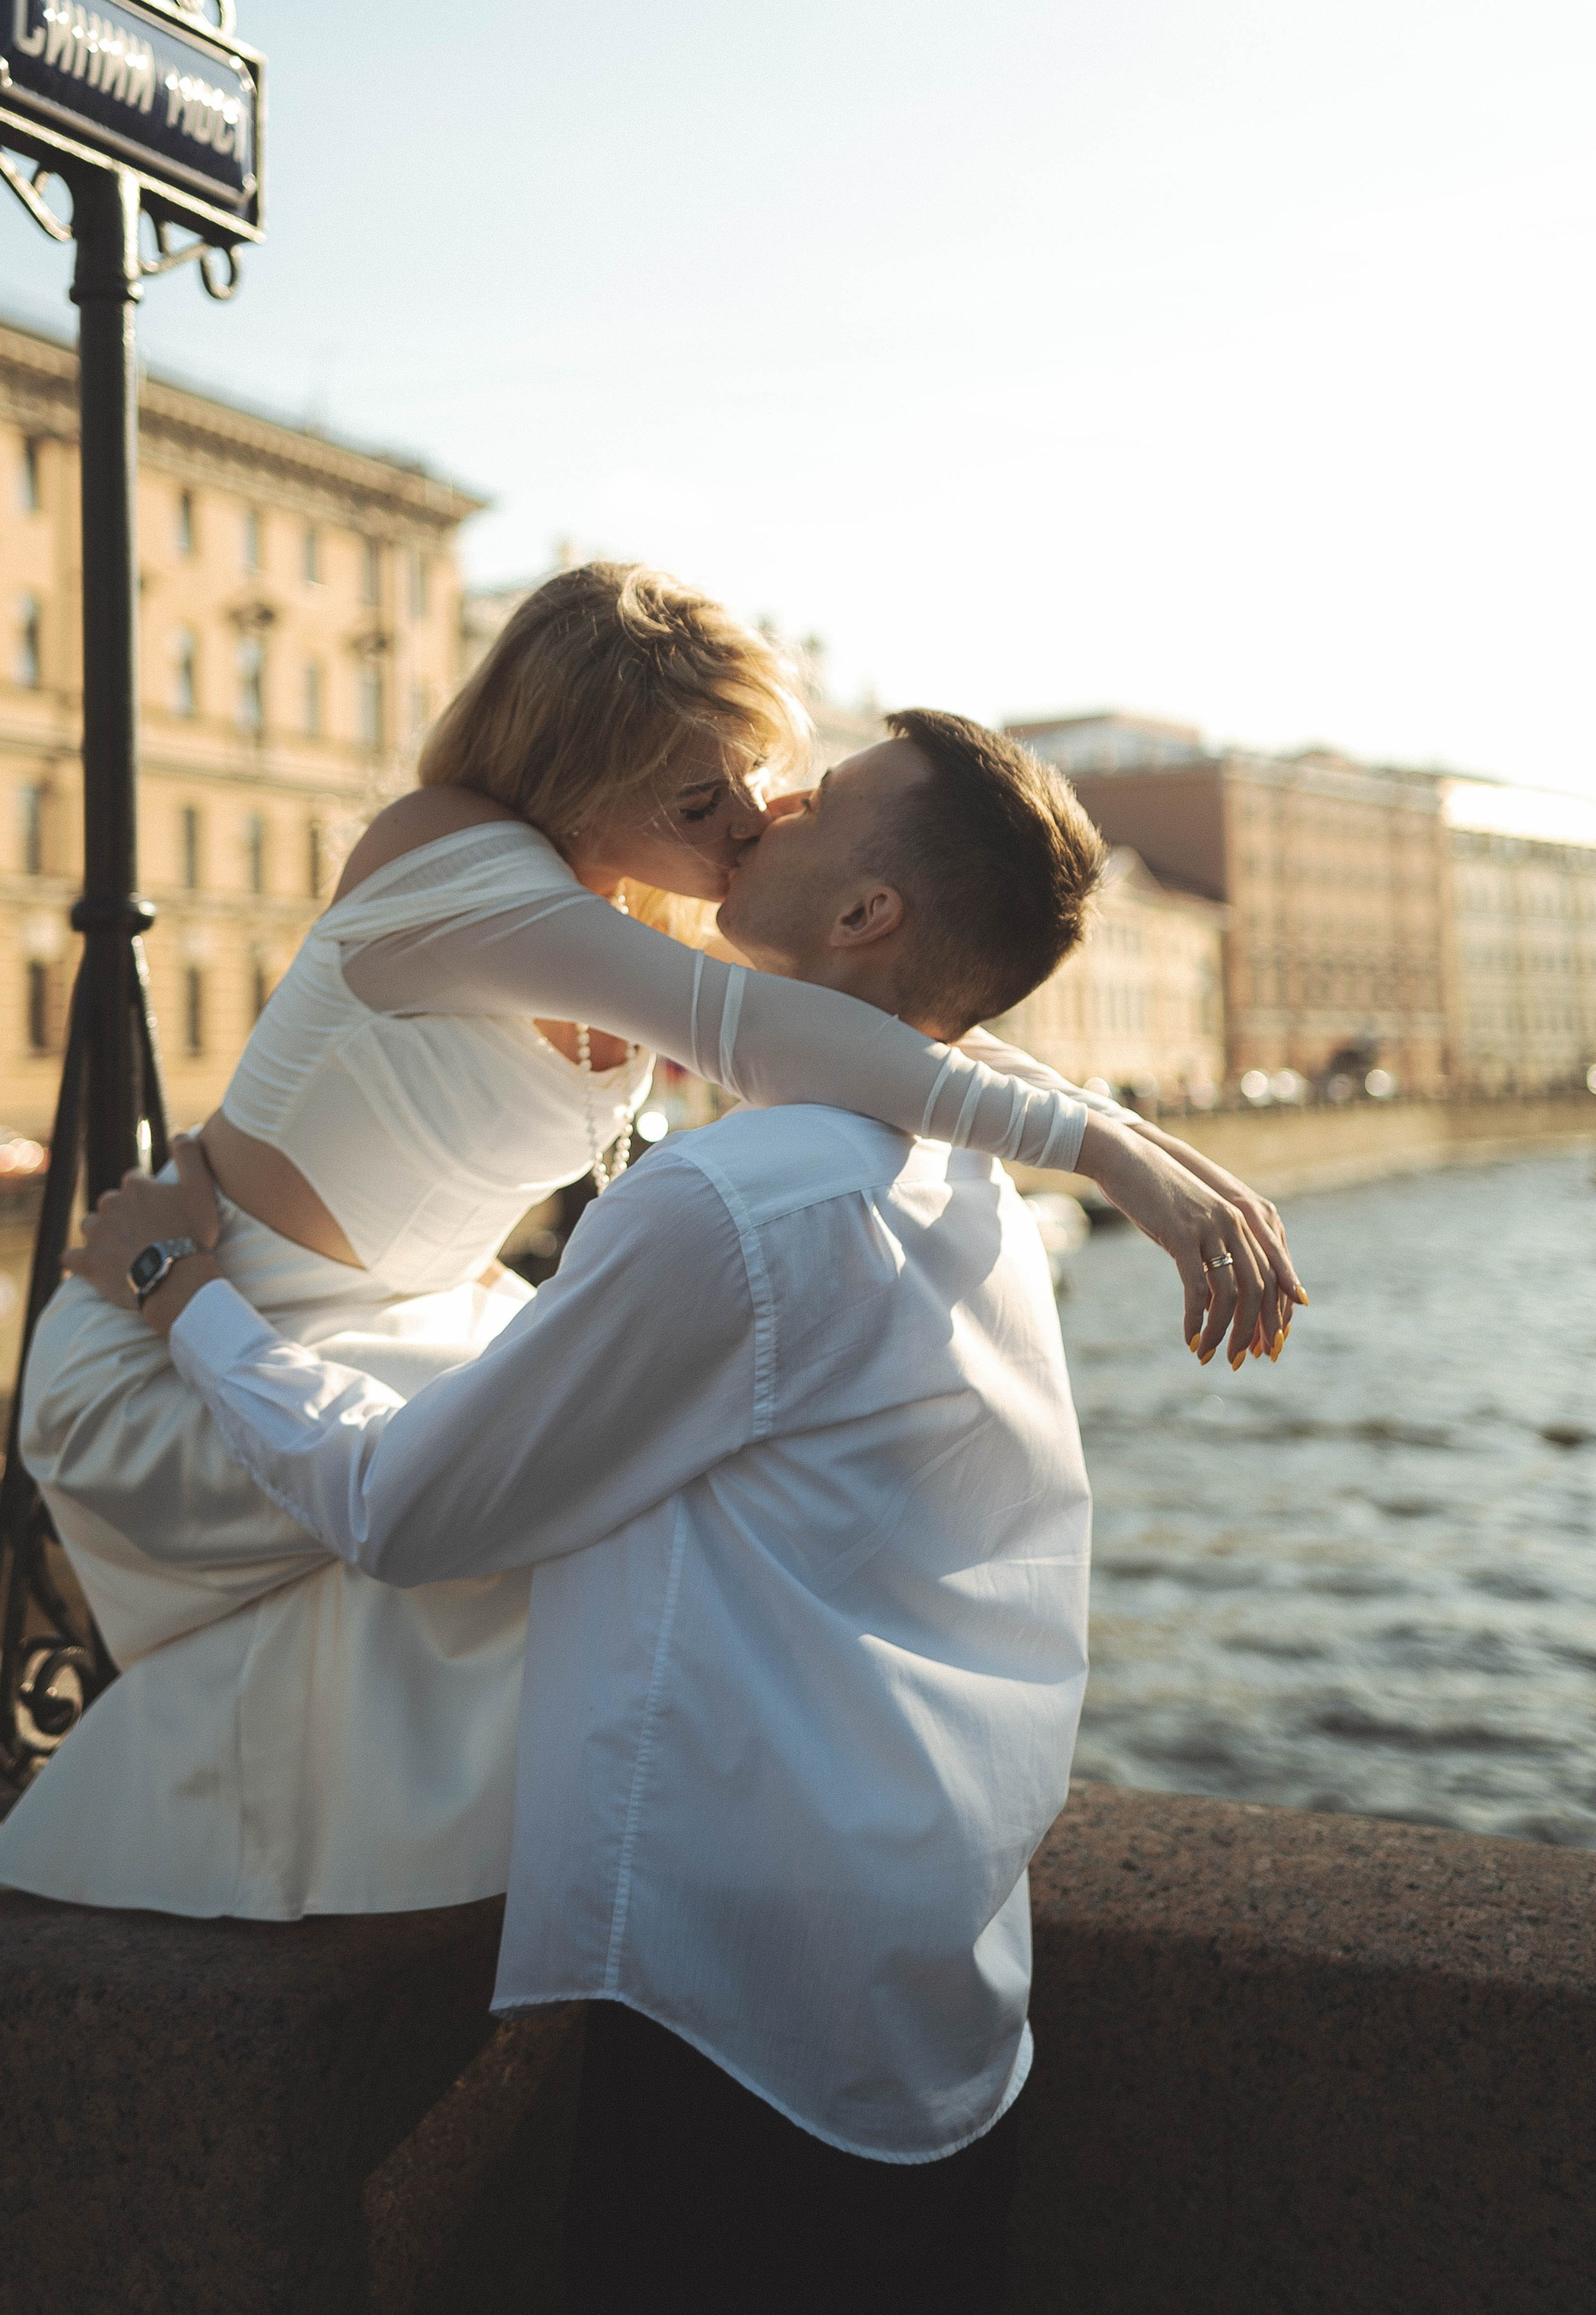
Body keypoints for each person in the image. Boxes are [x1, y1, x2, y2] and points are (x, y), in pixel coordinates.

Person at [77, 714, 1280, 2314]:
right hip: (941, 1994)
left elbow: (401, 1506)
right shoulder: (956, 1182)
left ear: (864, 915)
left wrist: (188, 1298)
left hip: (744, 2026)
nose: (773, 800)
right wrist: (1126, 1148)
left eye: (820, 797)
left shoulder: (731, 1206)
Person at [0, 566, 1294, 1922]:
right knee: (616, 1508)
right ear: (573, 773)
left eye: (763, 780)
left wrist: (1163, 1154)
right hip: (178, 1358)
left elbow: (903, 1034)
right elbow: (782, 1039)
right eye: (697, 800)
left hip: (394, 1335)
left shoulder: (637, 900)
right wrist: (1117, 1157)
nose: (751, 822)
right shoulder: (457, 863)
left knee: (655, 1496)